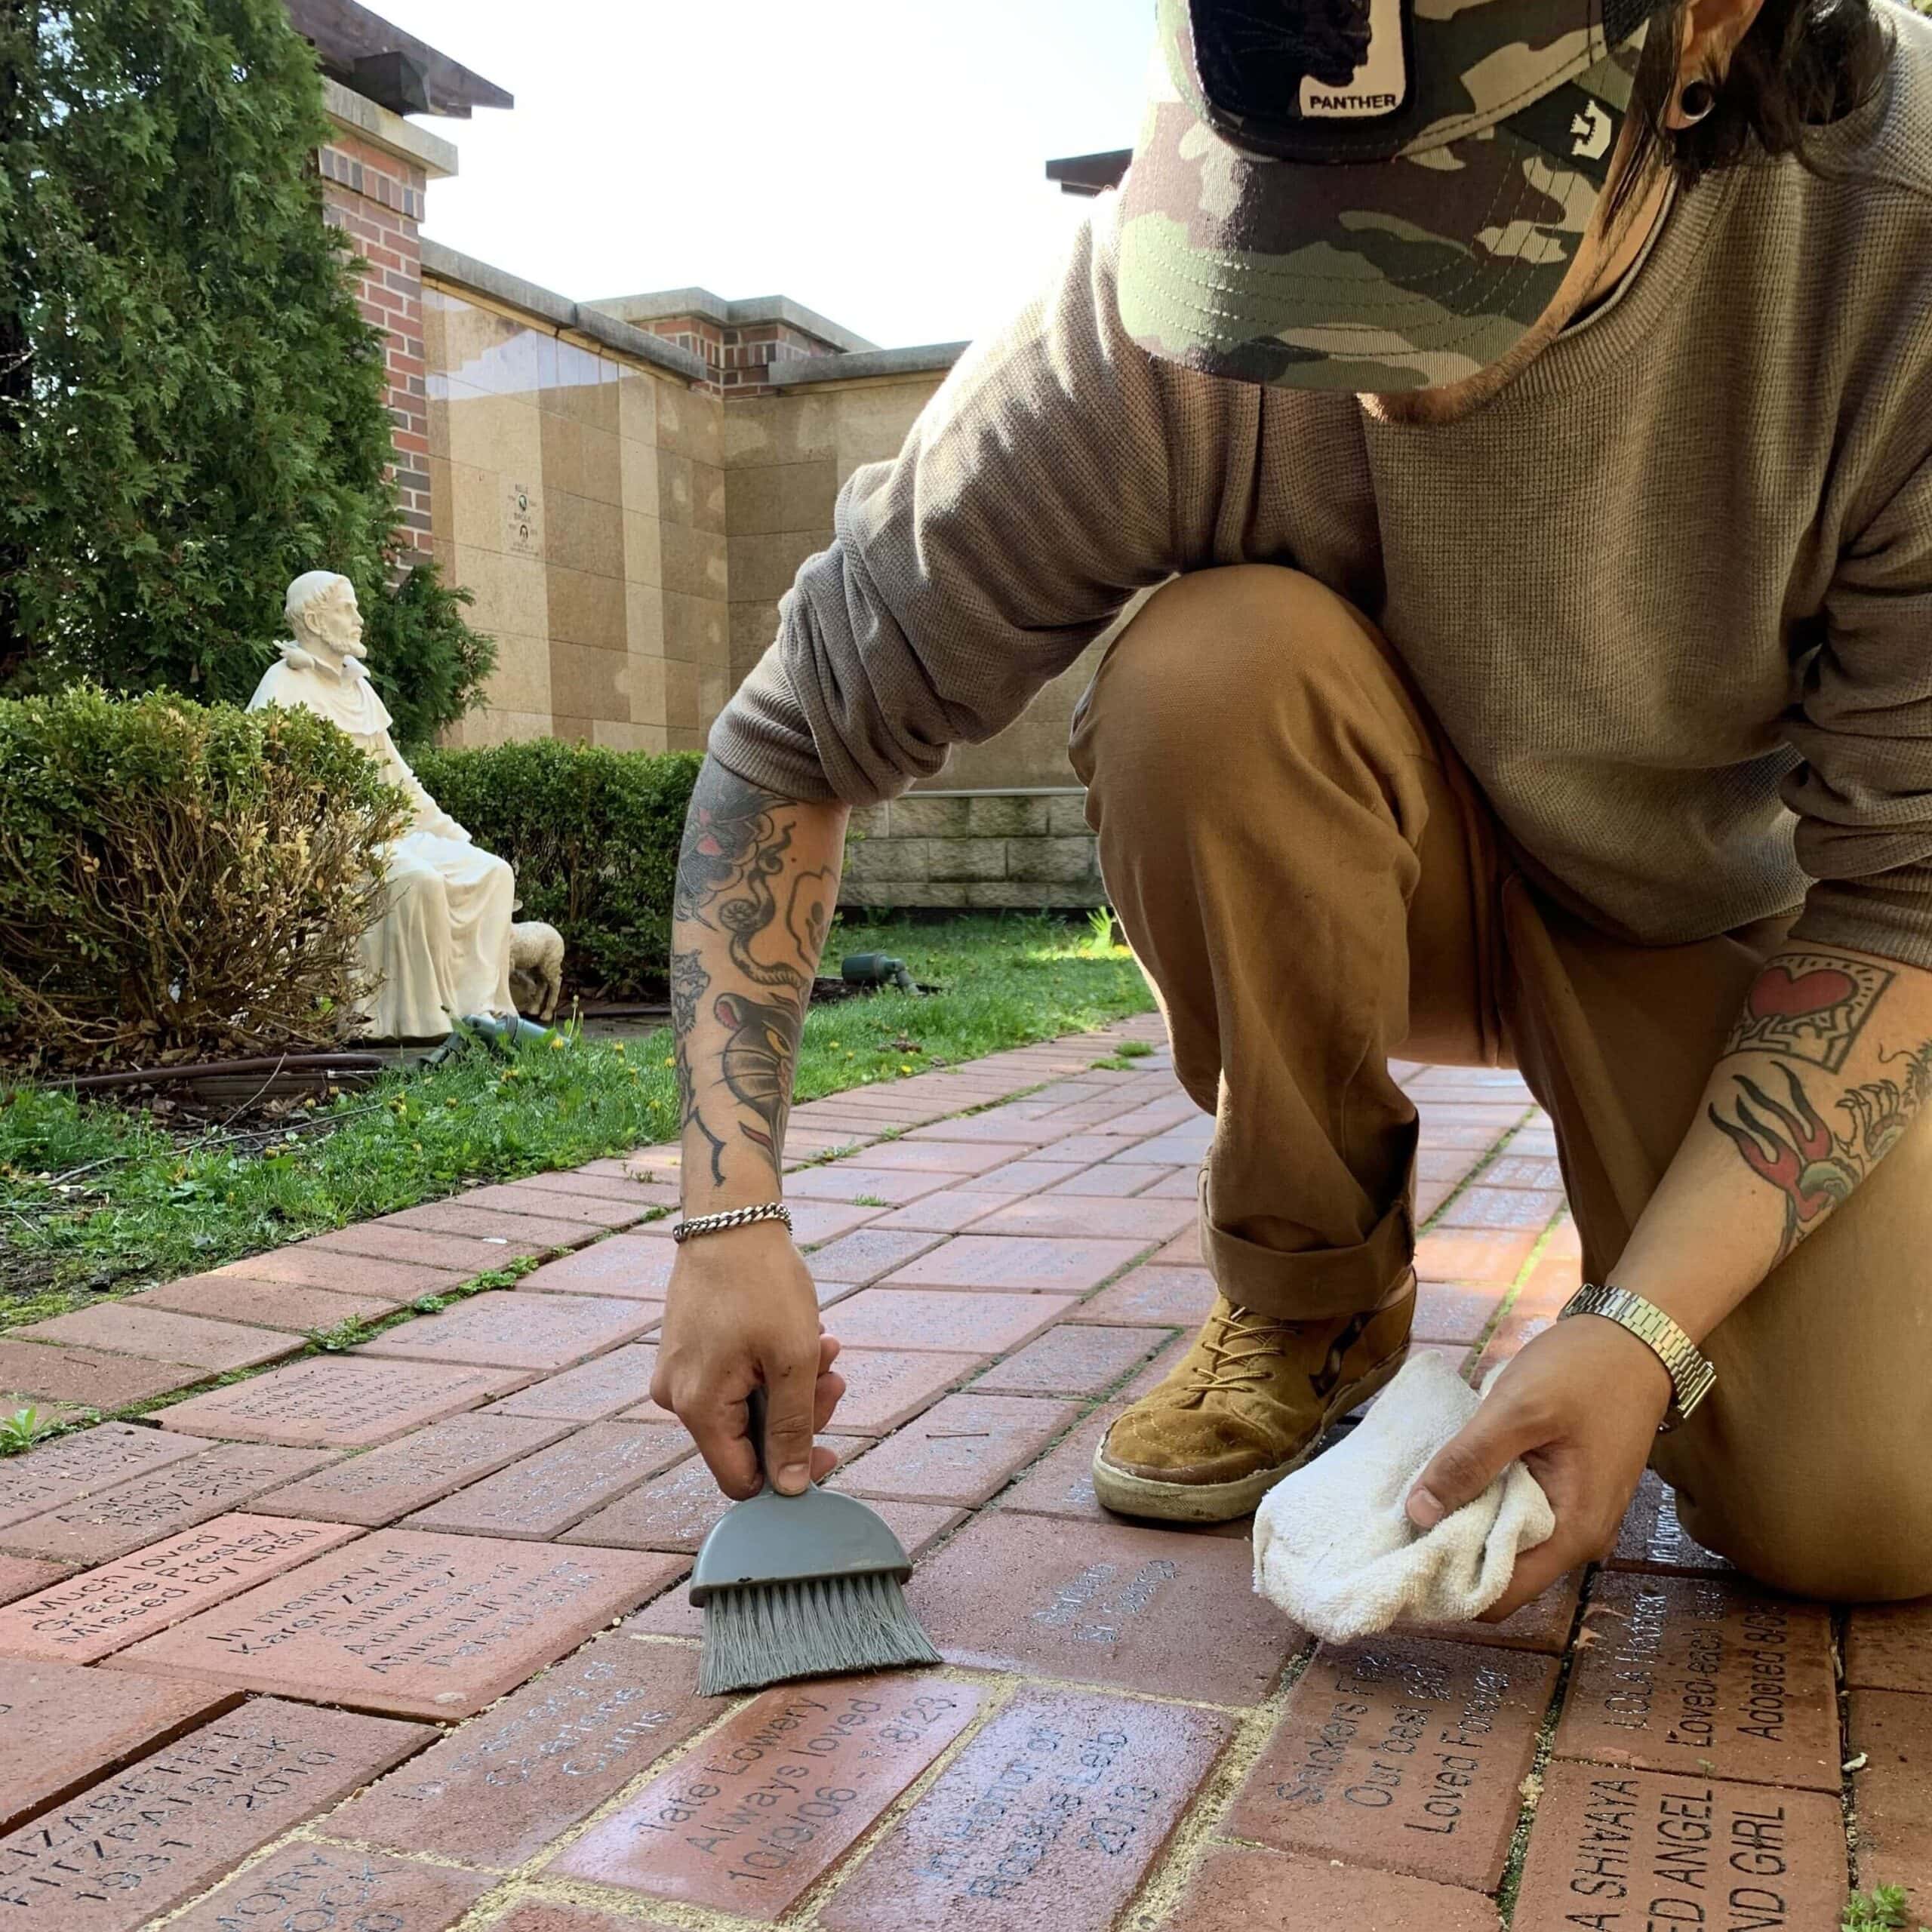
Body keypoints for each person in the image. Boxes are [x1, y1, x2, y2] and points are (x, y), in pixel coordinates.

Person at [651, 0, 1932, 1611]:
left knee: (1863, 1500)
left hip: (1714, 914)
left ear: (1700, 39)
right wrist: (726, 1215)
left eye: (1438, 232)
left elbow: (1905, 898)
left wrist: (1641, 1329)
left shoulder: (1894, 249)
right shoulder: (1146, 314)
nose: (1347, 363)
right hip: (1371, 856)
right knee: (1204, 679)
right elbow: (783, 747)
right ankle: (1310, 1284)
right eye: (1291, 236)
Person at [248, 572, 517, 1041]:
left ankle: (480, 1014)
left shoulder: (359, 690)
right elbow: (270, 791)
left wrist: (452, 834)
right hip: (332, 844)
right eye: (347, 610)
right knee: (418, 881)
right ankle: (419, 1022)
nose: (359, 619)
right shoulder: (284, 686)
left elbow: (400, 782)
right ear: (313, 618)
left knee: (493, 872)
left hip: (390, 833)